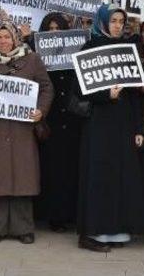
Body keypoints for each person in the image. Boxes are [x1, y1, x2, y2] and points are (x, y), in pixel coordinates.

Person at [0, 22, 54, 244]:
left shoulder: (32, 59)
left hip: (22, 128)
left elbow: (46, 88)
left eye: (7, 37)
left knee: (22, 176)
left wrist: (41, 111)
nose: (3, 41)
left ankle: (23, 228)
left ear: (16, 39)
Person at [76, 5, 144, 253]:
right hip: (99, 124)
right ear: (104, 22)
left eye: (121, 21)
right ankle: (92, 232)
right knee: (99, 177)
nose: (118, 25)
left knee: (121, 176)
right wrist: (106, 94)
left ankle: (116, 230)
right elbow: (80, 89)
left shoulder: (128, 50)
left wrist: (138, 128)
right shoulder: (90, 48)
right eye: (113, 20)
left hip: (124, 123)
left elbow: (135, 93)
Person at [35, 12, 82, 233]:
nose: (54, 32)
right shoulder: (37, 54)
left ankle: (69, 213)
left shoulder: (76, 52)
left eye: (58, 28)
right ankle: (53, 215)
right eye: (50, 29)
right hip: (49, 119)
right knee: (52, 168)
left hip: (72, 119)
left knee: (70, 168)